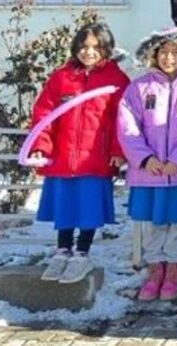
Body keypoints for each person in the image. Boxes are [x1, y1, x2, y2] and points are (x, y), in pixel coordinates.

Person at [118, 27, 177, 302]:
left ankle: (174, 268)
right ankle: (155, 268)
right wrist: (145, 158)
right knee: (154, 222)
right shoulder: (139, 87)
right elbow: (128, 127)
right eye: (163, 52)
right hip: (149, 170)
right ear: (154, 54)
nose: (169, 58)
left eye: (176, 52)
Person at [30, 22, 129, 284]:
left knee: (88, 207)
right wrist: (41, 146)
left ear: (107, 48)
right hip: (62, 157)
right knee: (65, 206)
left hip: (95, 158)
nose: (89, 52)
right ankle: (62, 250)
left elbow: (124, 120)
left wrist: (119, 151)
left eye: (96, 47)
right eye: (84, 46)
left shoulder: (117, 80)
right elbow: (44, 114)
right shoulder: (61, 78)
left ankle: (82, 253)